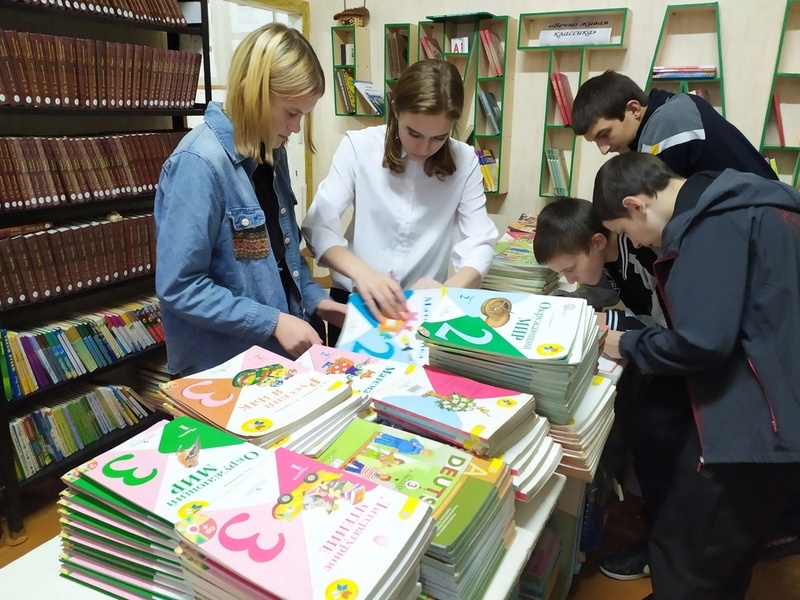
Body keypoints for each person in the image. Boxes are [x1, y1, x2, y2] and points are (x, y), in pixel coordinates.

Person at [593, 151, 800, 600]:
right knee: (727, 549)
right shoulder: (753, 201)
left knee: (687, 550)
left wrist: (624, 345)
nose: (637, 244)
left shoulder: (711, 227)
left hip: (757, 425)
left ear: (635, 205)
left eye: (625, 233)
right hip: (780, 407)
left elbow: (702, 341)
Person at [154, 23, 345, 377]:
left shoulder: (272, 153)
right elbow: (180, 287)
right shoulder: (199, 163)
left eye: (303, 115)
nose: (296, 128)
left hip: (276, 363)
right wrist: (273, 322)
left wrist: (319, 301)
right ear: (250, 93)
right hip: (222, 369)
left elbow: (283, 257)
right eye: (291, 113)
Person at [534, 198, 691, 582]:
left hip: (681, 362)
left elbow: (666, 329)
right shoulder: (605, 260)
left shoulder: (638, 253)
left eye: (570, 268)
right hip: (661, 352)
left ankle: (663, 549)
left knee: (650, 434)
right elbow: (601, 299)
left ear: (598, 241)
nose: (571, 278)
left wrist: (613, 324)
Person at [302, 59, 498, 342]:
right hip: (355, 300)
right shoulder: (360, 146)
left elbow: (479, 242)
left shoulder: (465, 161)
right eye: (413, 133)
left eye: (439, 137)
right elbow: (318, 226)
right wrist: (363, 274)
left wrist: (449, 288)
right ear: (395, 110)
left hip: (422, 308)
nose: (424, 148)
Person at [571, 69, 778, 181]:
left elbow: (657, 213)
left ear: (634, 109)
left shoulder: (666, 125)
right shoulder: (671, 107)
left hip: (765, 226)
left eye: (604, 134)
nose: (603, 149)